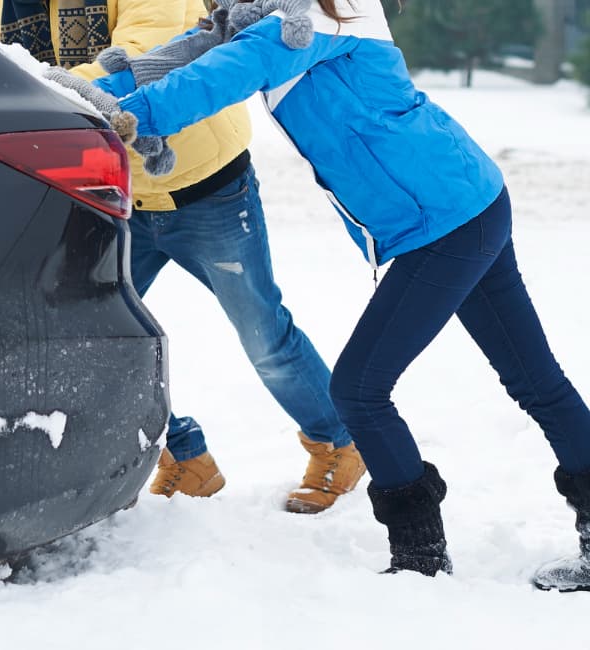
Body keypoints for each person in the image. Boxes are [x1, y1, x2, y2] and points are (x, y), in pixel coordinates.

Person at [91, 0, 590, 588]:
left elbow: (230, 71)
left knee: (359, 389)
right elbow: (186, 58)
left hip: (449, 219)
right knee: (534, 380)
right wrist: (87, 96)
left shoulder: (338, 11)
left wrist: (132, 116)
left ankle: (419, 557)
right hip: (460, 206)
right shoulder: (274, 19)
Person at [0, 0, 365, 513]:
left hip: (206, 189)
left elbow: (144, 56)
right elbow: (0, 65)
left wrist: (42, 91)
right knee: (88, 336)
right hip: (110, 197)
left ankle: (338, 444)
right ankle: (185, 456)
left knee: (263, 334)